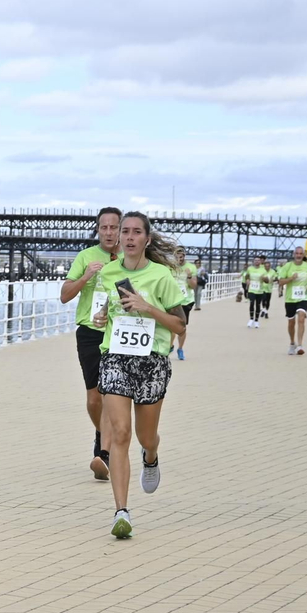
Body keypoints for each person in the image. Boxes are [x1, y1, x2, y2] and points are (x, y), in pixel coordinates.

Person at [91, 212, 187, 539]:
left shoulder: (161, 276)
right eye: (124, 232)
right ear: (117, 238)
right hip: (115, 357)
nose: (129, 237)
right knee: (119, 433)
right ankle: (121, 511)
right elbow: (99, 313)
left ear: (147, 239)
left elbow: (179, 324)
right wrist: (101, 319)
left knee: (146, 436)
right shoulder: (107, 274)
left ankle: (152, 455)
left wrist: (147, 308)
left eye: (136, 232)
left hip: (152, 360)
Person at [58, 207, 121, 481]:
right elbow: (64, 296)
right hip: (90, 332)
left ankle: (104, 453)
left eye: (114, 227)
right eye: (104, 227)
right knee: (95, 397)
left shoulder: (129, 258)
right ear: (98, 229)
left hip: (119, 331)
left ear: (122, 229)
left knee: (111, 394)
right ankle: (102, 433)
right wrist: (86, 276)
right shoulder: (86, 257)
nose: (109, 232)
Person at [275, 246, 307, 355]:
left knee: (301, 318)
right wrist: (291, 279)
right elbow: (280, 282)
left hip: (303, 297)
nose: (298, 255)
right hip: (290, 299)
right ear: (294, 255)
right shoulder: (287, 266)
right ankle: (292, 343)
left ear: (303, 255)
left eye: (300, 253)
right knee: (291, 322)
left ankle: (300, 345)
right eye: (297, 253)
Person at [172, 246, 197, 360]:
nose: (180, 259)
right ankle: (170, 345)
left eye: (181, 256)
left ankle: (180, 348)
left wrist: (189, 276)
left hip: (186, 301)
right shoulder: (170, 267)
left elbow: (193, 286)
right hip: (172, 300)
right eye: (177, 256)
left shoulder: (191, 267)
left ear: (184, 256)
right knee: (171, 325)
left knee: (182, 327)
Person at [242, 256, 267, 328]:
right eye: (255, 260)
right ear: (253, 261)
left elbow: (267, 281)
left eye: (258, 260)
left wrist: (264, 278)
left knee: (258, 305)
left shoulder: (263, 270)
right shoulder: (250, 269)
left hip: (259, 290)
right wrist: (247, 280)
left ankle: (256, 321)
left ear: (260, 262)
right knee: (252, 303)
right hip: (252, 289)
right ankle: (251, 319)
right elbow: (247, 276)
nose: (257, 261)